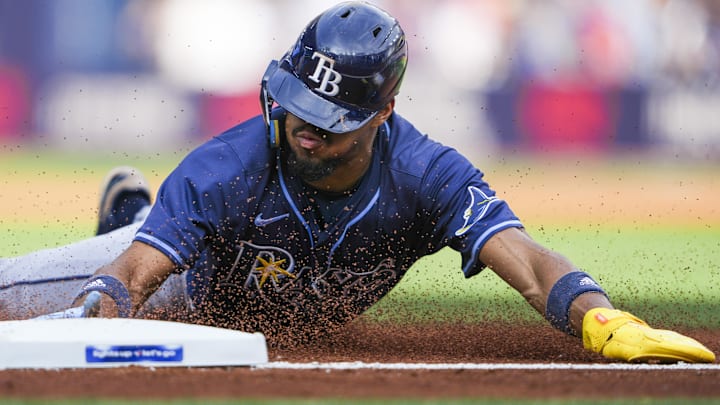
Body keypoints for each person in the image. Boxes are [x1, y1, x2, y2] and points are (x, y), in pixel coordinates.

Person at [0, 1, 714, 363]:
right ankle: (134, 216)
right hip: (187, 284)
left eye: (329, 118)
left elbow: (523, 256)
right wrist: (102, 300)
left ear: (384, 112)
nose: (304, 127)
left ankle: (131, 211)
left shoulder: (427, 175)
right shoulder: (226, 165)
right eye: (297, 106)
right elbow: (131, 275)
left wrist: (599, 316)